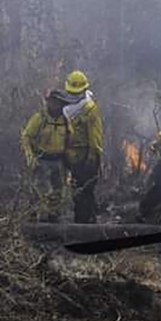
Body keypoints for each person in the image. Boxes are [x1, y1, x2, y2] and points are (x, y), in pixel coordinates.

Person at [59, 70, 103, 224]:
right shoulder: (64, 108)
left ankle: (84, 223)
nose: (73, 96)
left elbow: (95, 135)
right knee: (78, 191)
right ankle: (86, 221)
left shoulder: (90, 108)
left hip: (86, 157)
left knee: (85, 191)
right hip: (72, 157)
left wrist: (92, 158)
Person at [21, 91, 68, 222]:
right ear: (49, 102)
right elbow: (26, 137)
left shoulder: (65, 120)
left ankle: (54, 221)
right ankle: (37, 222)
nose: (56, 105)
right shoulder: (39, 118)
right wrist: (30, 156)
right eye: (53, 102)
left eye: (59, 102)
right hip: (42, 160)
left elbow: (70, 140)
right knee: (39, 192)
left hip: (59, 161)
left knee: (57, 192)